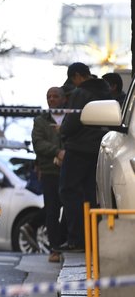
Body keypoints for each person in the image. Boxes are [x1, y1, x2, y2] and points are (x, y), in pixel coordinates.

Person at [58, 62, 111, 251]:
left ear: (77, 76)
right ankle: (92, 237)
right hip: (97, 148)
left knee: (68, 191)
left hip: (78, 147)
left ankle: (75, 238)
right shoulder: (105, 91)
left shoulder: (81, 93)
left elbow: (72, 122)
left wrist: (62, 132)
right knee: (90, 193)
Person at [32, 86, 67, 262]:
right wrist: (57, 152)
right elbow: (38, 144)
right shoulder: (41, 120)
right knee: (52, 210)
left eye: (55, 96)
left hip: (70, 171)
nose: (51, 99)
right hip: (50, 171)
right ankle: (55, 248)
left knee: (69, 209)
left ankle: (66, 242)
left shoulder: (71, 117)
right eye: (48, 97)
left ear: (64, 98)